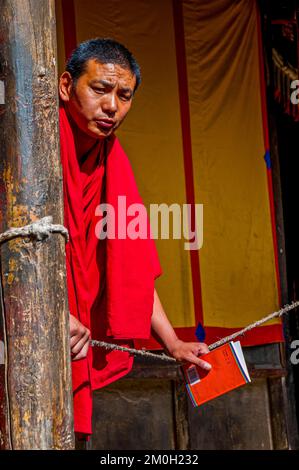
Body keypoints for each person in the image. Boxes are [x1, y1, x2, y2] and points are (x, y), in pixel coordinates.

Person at [58, 38, 211, 437]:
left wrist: (173, 343)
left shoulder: (112, 160)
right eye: (100, 89)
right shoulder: (28, 148)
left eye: (124, 96)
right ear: (65, 86)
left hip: (73, 340)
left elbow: (133, 271)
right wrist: (47, 313)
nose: (112, 106)